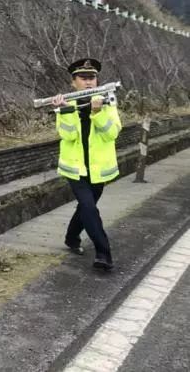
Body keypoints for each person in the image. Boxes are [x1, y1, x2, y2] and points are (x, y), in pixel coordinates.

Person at [52, 58, 121, 271]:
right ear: (74, 82)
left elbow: (112, 133)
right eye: (83, 78)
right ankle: (103, 253)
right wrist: (64, 111)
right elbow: (68, 135)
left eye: (92, 77)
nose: (88, 82)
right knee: (89, 208)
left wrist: (98, 113)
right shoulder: (67, 103)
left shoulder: (107, 101)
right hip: (75, 168)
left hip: (98, 169)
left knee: (85, 208)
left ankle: (71, 238)